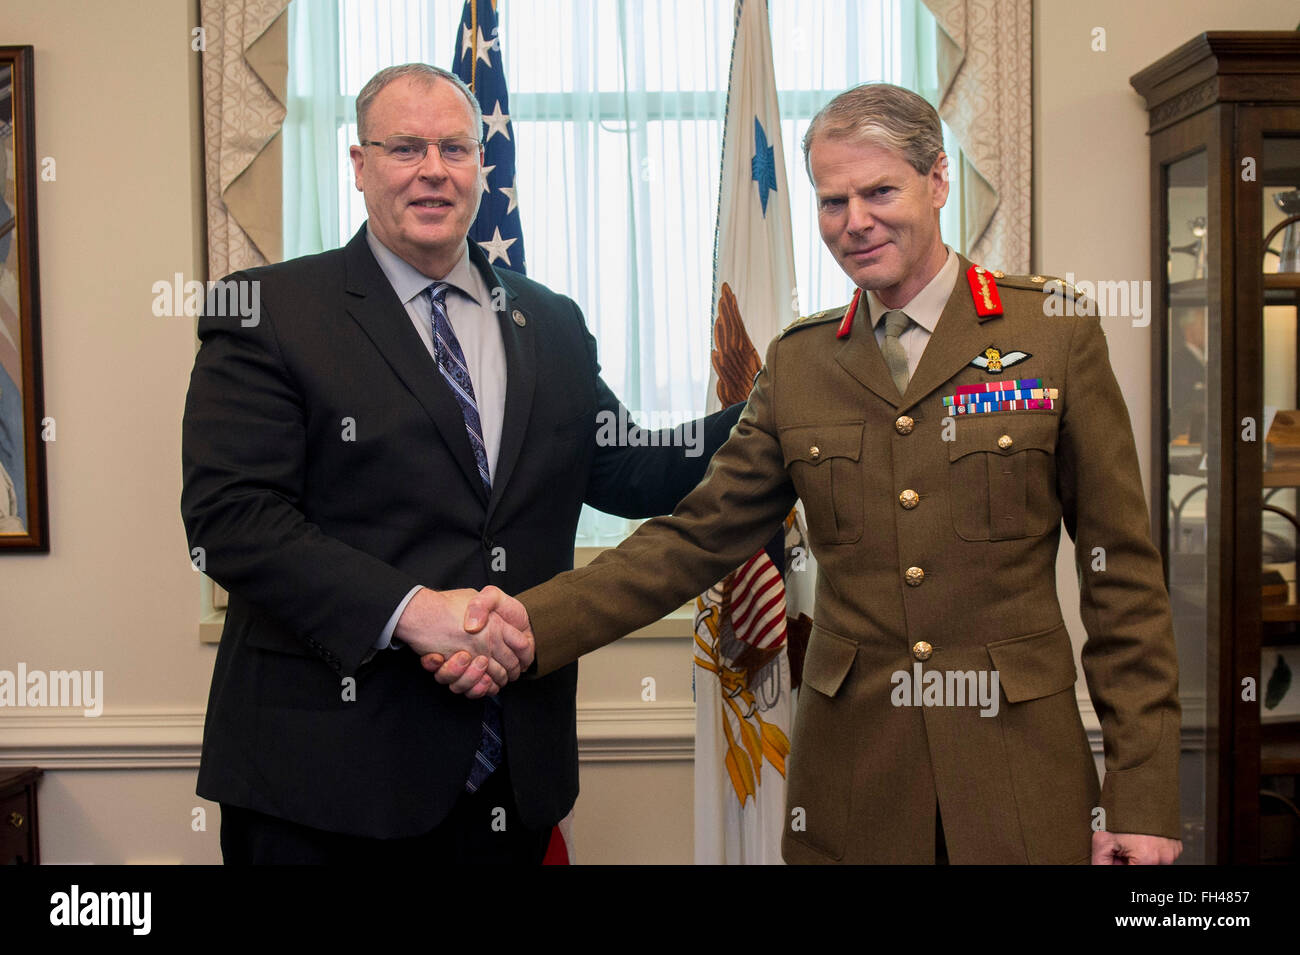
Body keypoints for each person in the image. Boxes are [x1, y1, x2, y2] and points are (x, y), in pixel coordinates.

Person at [436, 82, 1184, 865]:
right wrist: (526, 625)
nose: (854, 222)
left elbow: (1123, 578)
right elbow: (695, 539)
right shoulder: (801, 363)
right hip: (855, 785)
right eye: (832, 201)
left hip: (1020, 773)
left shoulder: (1051, 333)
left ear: (937, 181)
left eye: (879, 191)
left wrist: (1141, 798)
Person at [181, 63, 741, 864]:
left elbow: (633, 470)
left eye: (454, 147)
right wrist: (414, 611)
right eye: (405, 148)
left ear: (483, 164)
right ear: (360, 164)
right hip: (321, 787)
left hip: (509, 778)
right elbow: (233, 522)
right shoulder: (269, 311)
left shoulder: (548, 320)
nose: (433, 170)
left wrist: (780, 402)